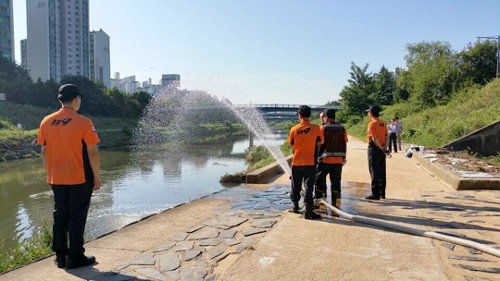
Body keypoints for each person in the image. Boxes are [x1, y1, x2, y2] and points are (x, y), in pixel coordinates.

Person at [37, 84, 101, 269]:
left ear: (59, 100)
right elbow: (93, 152)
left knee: (60, 216)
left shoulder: (46, 121)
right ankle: (75, 257)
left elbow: (44, 151)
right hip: (80, 178)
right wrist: (96, 177)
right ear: (76, 99)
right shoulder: (84, 122)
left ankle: (60, 257)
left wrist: (49, 175)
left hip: (57, 178)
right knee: (77, 217)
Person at [288, 105, 323, 220]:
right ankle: (308, 211)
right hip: (310, 162)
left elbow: (291, 144)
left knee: (295, 185)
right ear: (310, 115)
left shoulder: (294, 129)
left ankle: (295, 207)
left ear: (299, 115)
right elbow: (320, 142)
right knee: (308, 186)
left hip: (296, 162)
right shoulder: (316, 128)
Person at [314, 109, 348, 207]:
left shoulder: (323, 128)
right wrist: (344, 157)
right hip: (338, 160)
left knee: (319, 180)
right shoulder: (342, 128)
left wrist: (316, 157)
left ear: (326, 117)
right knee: (336, 182)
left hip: (325, 160)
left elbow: (319, 144)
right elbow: (344, 143)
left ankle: (319, 202)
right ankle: (336, 204)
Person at [365, 105, 389, 200]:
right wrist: (384, 148)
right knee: (382, 171)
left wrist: (379, 147)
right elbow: (387, 137)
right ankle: (382, 193)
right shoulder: (383, 123)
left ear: (370, 113)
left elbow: (374, 138)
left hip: (374, 149)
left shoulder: (371, 124)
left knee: (374, 171)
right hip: (382, 149)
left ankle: (375, 194)